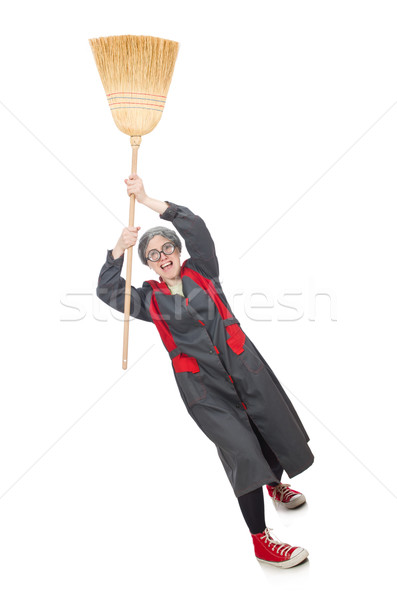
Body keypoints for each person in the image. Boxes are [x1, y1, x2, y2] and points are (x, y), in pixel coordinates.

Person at [96, 174, 314, 569]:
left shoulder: (205, 272)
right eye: (153, 255)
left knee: (267, 427)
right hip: (203, 389)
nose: (163, 258)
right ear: (147, 264)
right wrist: (118, 248)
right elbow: (108, 291)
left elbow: (195, 225)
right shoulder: (148, 301)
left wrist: (146, 199)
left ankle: (275, 484)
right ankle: (261, 541)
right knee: (241, 451)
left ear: (179, 252)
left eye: (168, 249)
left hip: (244, 367)